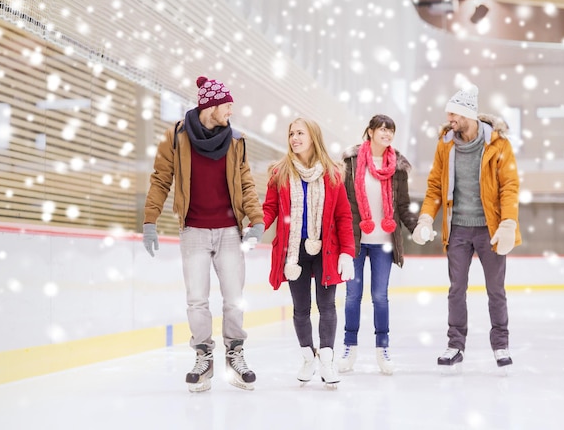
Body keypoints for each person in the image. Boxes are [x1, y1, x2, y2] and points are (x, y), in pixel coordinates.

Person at [142, 76, 265, 392]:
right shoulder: (176, 136)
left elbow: (246, 182)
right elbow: (160, 180)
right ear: (210, 106)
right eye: (227, 105)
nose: (230, 112)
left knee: (234, 300)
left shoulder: (236, 139)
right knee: (196, 300)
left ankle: (235, 354)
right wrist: (150, 221)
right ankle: (203, 357)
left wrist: (257, 219)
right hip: (194, 229)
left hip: (229, 231)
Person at [412, 84, 521, 369]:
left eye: (453, 114)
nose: (449, 119)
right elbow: (435, 186)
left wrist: (508, 222)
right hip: (457, 228)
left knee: (496, 290)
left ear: (467, 115)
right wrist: (426, 217)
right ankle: (455, 345)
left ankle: (501, 345)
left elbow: (509, 186)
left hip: (490, 229)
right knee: (456, 289)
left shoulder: (498, 145)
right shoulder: (445, 145)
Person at [262, 117, 355, 387]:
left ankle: (326, 360)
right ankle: (307, 356)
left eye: (300, 133)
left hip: (325, 250)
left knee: (326, 307)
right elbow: (270, 209)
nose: (294, 138)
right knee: (300, 309)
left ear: (313, 137)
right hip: (294, 253)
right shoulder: (280, 173)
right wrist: (256, 225)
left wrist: (347, 252)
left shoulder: (333, 174)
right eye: (291, 133)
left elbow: (343, 216)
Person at [337, 114, 419, 375]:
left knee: (380, 297)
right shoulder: (350, 162)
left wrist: (416, 227)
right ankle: (349, 347)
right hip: (356, 242)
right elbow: (344, 203)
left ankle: (382, 349)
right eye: (381, 129)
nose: (386, 134)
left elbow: (403, 205)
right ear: (370, 132)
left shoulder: (397, 167)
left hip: (384, 242)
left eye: (390, 130)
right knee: (352, 296)